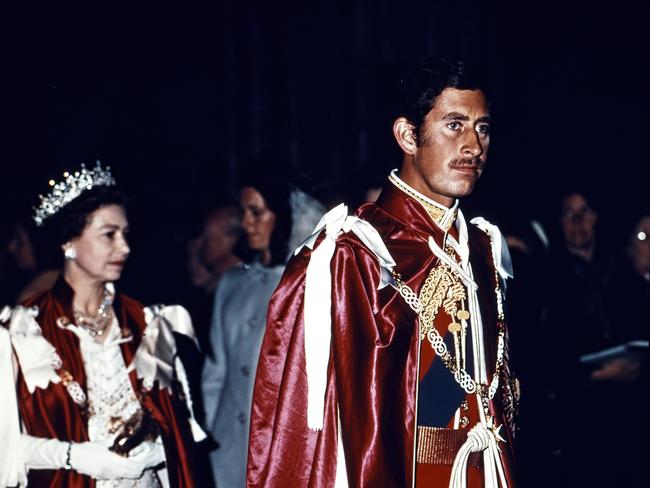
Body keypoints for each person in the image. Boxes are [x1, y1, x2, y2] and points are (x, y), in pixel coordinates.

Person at [247, 57, 519, 487]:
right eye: (454, 125)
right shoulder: (354, 253)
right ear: (408, 135)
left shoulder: (482, 246)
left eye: (482, 128)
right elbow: (322, 429)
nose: (473, 146)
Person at [0, 163, 206, 487]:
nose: (124, 248)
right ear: (69, 241)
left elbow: (182, 429)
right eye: (108, 235)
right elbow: (7, 447)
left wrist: (157, 449)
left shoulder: (149, 322)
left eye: (125, 234)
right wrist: (75, 456)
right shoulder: (23, 330)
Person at [201, 174, 324, 488]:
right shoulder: (231, 284)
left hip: (277, 449)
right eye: (244, 212)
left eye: (256, 212)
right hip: (227, 450)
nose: (246, 223)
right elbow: (216, 374)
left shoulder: (304, 285)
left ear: (282, 215)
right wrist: (209, 438)